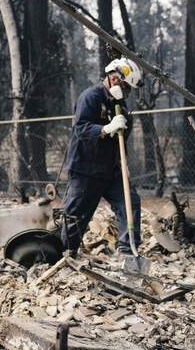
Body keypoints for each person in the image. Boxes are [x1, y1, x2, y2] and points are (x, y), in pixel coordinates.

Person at [59, 57, 143, 259]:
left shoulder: (120, 106)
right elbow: (81, 128)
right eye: (126, 86)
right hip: (86, 169)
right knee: (76, 217)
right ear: (114, 79)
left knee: (130, 203)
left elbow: (120, 139)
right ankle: (62, 255)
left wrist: (123, 160)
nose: (127, 93)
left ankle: (128, 252)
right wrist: (106, 128)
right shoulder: (91, 97)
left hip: (110, 169)